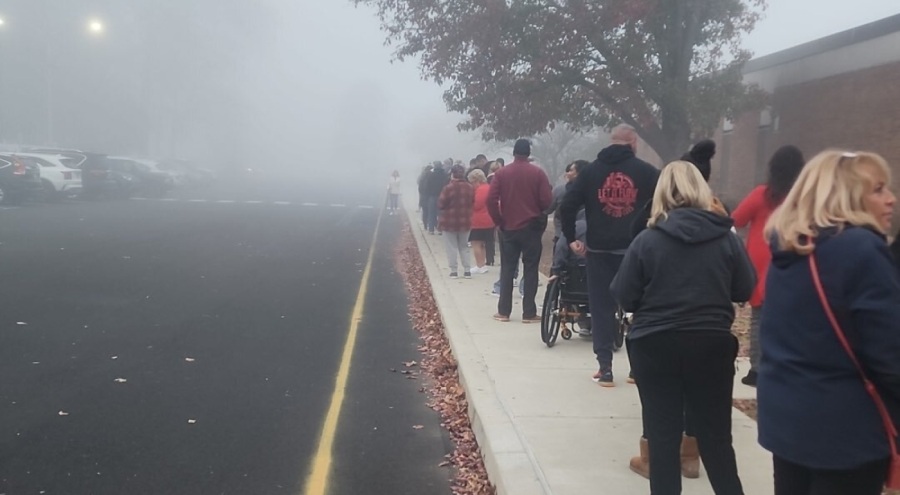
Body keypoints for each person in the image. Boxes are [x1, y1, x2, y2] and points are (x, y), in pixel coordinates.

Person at [758, 150, 899, 495]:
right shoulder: (862, 249)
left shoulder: (789, 249)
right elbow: (890, 355)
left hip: (787, 420)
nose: (891, 199)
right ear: (846, 196)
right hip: (846, 432)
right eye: (879, 189)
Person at [611, 161, 755, 495]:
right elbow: (745, 289)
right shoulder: (727, 239)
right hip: (711, 344)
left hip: (655, 345)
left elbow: (623, 295)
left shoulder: (648, 240)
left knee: (662, 440)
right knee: (717, 440)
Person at [559, 124, 659, 386]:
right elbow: (665, 199)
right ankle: (637, 368)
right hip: (635, 249)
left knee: (601, 308)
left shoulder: (591, 172)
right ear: (633, 143)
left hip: (599, 250)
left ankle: (605, 368)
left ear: (611, 142)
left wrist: (571, 238)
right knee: (641, 307)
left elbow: (567, 205)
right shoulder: (646, 173)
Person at [731, 145, 805, 386]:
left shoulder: (761, 194)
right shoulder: (803, 198)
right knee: (791, 319)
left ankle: (756, 369)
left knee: (758, 320)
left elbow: (736, 220)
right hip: (793, 259)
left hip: (759, 263)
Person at [487, 138, 552, 322]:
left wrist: (498, 220)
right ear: (528, 153)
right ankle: (529, 312)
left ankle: (504, 311)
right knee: (530, 268)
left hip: (508, 226)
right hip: (531, 227)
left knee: (507, 269)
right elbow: (547, 201)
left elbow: (491, 200)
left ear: (514, 152)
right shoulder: (538, 173)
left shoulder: (501, 174)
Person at [438, 164, 475, 278]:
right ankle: (467, 270)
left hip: (449, 222)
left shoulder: (448, 188)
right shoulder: (470, 187)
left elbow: (440, 204)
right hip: (465, 221)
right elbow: (473, 202)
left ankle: (454, 271)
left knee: (451, 247)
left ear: (452, 174)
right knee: (464, 246)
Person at [546, 160, 590, 258]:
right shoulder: (593, 191)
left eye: (570, 170)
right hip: (586, 238)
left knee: (559, 264)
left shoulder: (560, 190)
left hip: (563, 234)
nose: (567, 173)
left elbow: (548, 209)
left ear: (578, 173)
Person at [467, 169, 494, 273]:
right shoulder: (488, 187)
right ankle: (482, 265)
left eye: (472, 182)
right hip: (488, 219)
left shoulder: (481, 189)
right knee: (482, 244)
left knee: (476, 243)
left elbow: (477, 205)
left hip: (479, 220)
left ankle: (480, 265)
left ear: (476, 180)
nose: (472, 185)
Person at [424, 161, 449, 234]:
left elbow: (427, 185)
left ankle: (431, 229)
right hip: (442, 195)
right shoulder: (444, 175)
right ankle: (440, 229)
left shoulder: (431, 175)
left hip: (432, 196)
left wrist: (427, 194)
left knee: (431, 213)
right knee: (440, 213)